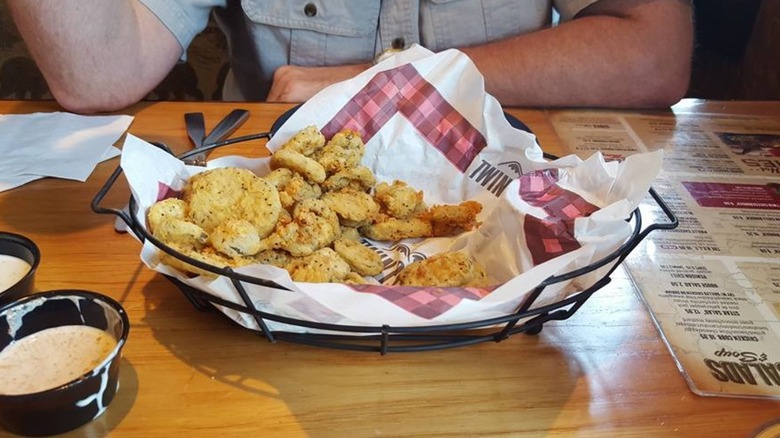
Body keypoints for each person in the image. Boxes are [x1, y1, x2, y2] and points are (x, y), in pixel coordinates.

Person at [6, 0, 693, 114]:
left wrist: (386, 82)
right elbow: (96, 72)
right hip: (266, 233)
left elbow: (653, 50)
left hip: (509, 213)